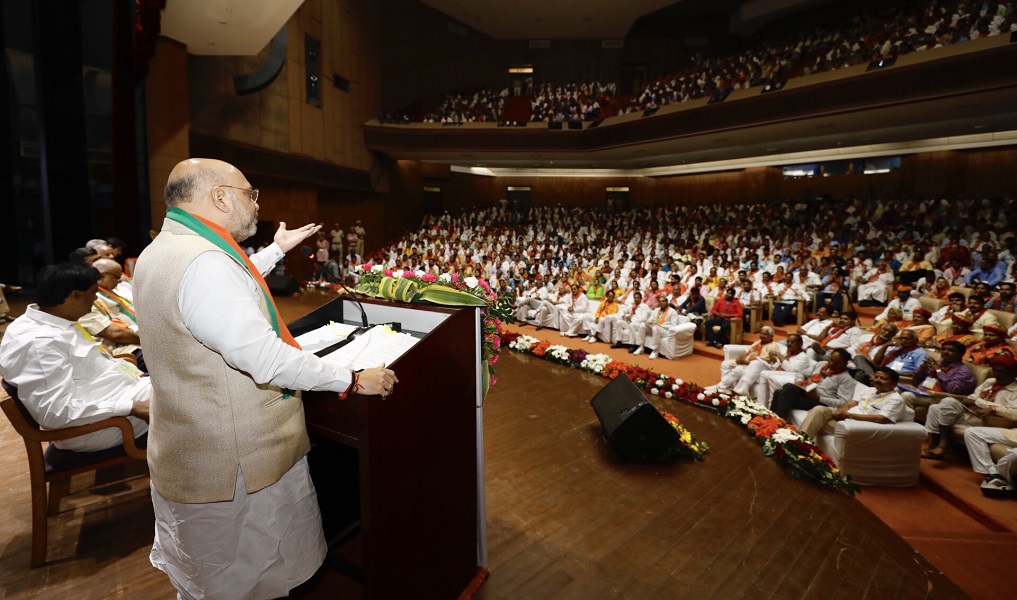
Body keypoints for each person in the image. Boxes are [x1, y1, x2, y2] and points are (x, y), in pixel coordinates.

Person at [134, 158, 398, 599]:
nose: (256, 204)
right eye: (249, 194)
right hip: (236, 463)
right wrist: (351, 378)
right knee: (249, 581)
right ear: (219, 197)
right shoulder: (205, 263)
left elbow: (225, 286)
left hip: (190, 444)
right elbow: (265, 359)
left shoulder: (167, 248)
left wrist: (277, 250)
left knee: (211, 581)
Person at [0, 262, 150, 452]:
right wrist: (132, 406)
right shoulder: (40, 342)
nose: (96, 299)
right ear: (75, 296)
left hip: (110, 397)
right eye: (93, 293)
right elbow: (54, 411)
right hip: (96, 426)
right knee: (189, 394)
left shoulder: (49, 320)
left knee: (184, 386)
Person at [961, 352, 1017, 497]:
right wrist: (979, 404)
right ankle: (992, 474)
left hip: (1000, 421)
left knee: (1012, 457)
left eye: (1001, 371)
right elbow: (969, 399)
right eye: (995, 370)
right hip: (1011, 430)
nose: (997, 374)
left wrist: (985, 405)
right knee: (972, 433)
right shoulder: (990, 382)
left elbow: (1014, 413)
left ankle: (1001, 479)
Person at [799, 367, 907, 439]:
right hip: (847, 418)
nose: (877, 380)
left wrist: (849, 415)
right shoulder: (870, 390)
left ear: (894, 384)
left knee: (815, 421)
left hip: (858, 427)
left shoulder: (895, 399)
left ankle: (798, 444)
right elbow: (851, 403)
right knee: (819, 409)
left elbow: (881, 419)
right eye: (877, 377)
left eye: (883, 379)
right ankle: (799, 442)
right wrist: (842, 411)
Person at [769, 348, 855, 420]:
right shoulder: (821, 365)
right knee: (783, 390)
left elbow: (843, 402)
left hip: (819, 402)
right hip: (805, 392)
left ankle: (777, 423)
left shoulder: (846, 379)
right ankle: (771, 421)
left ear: (845, 364)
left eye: (836, 363)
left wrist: (818, 398)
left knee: (782, 392)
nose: (831, 364)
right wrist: (799, 381)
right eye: (831, 360)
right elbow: (802, 373)